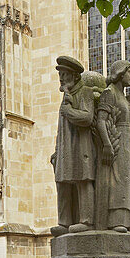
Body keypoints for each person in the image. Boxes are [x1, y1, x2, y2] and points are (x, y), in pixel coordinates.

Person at [51, 56, 97, 234]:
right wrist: (56, 151)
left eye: (65, 74)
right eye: (60, 74)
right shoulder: (66, 96)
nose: (61, 78)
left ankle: (86, 220)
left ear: (75, 76)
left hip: (80, 146)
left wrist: (69, 111)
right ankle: (64, 223)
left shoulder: (84, 92)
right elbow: (61, 129)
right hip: (65, 148)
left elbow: (87, 117)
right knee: (62, 183)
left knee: (82, 180)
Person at [95, 60, 130, 231]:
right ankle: (114, 221)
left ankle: (125, 221)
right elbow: (101, 121)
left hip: (127, 139)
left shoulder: (123, 96)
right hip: (116, 139)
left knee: (126, 178)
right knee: (117, 178)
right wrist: (107, 144)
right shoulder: (109, 93)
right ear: (120, 73)